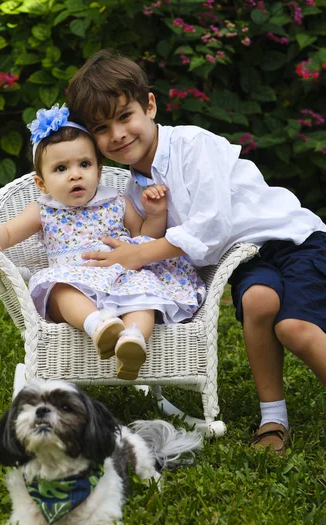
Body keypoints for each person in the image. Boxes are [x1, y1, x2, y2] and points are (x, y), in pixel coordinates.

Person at [66, 48, 326, 454]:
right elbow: (158, 241)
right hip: (246, 254)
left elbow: (211, 225)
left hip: (293, 240)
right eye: (101, 128)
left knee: (292, 327)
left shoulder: (192, 144)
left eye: (124, 116)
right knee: (258, 302)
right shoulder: (136, 187)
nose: (117, 134)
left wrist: (138, 253)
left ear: (149, 105)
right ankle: (273, 419)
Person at [0, 104, 206, 381]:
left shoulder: (116, 201)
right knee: (60, 290)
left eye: (84, 164)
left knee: (144, 294)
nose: (75, 174)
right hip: (72, 280)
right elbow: (7, 232)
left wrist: (156, 214)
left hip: (120, 278)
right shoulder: (43, 209)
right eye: (60, 168)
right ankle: (99, 326)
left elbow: (145, 238)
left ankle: (133, 340)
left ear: (99, 170)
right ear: (42, 184)